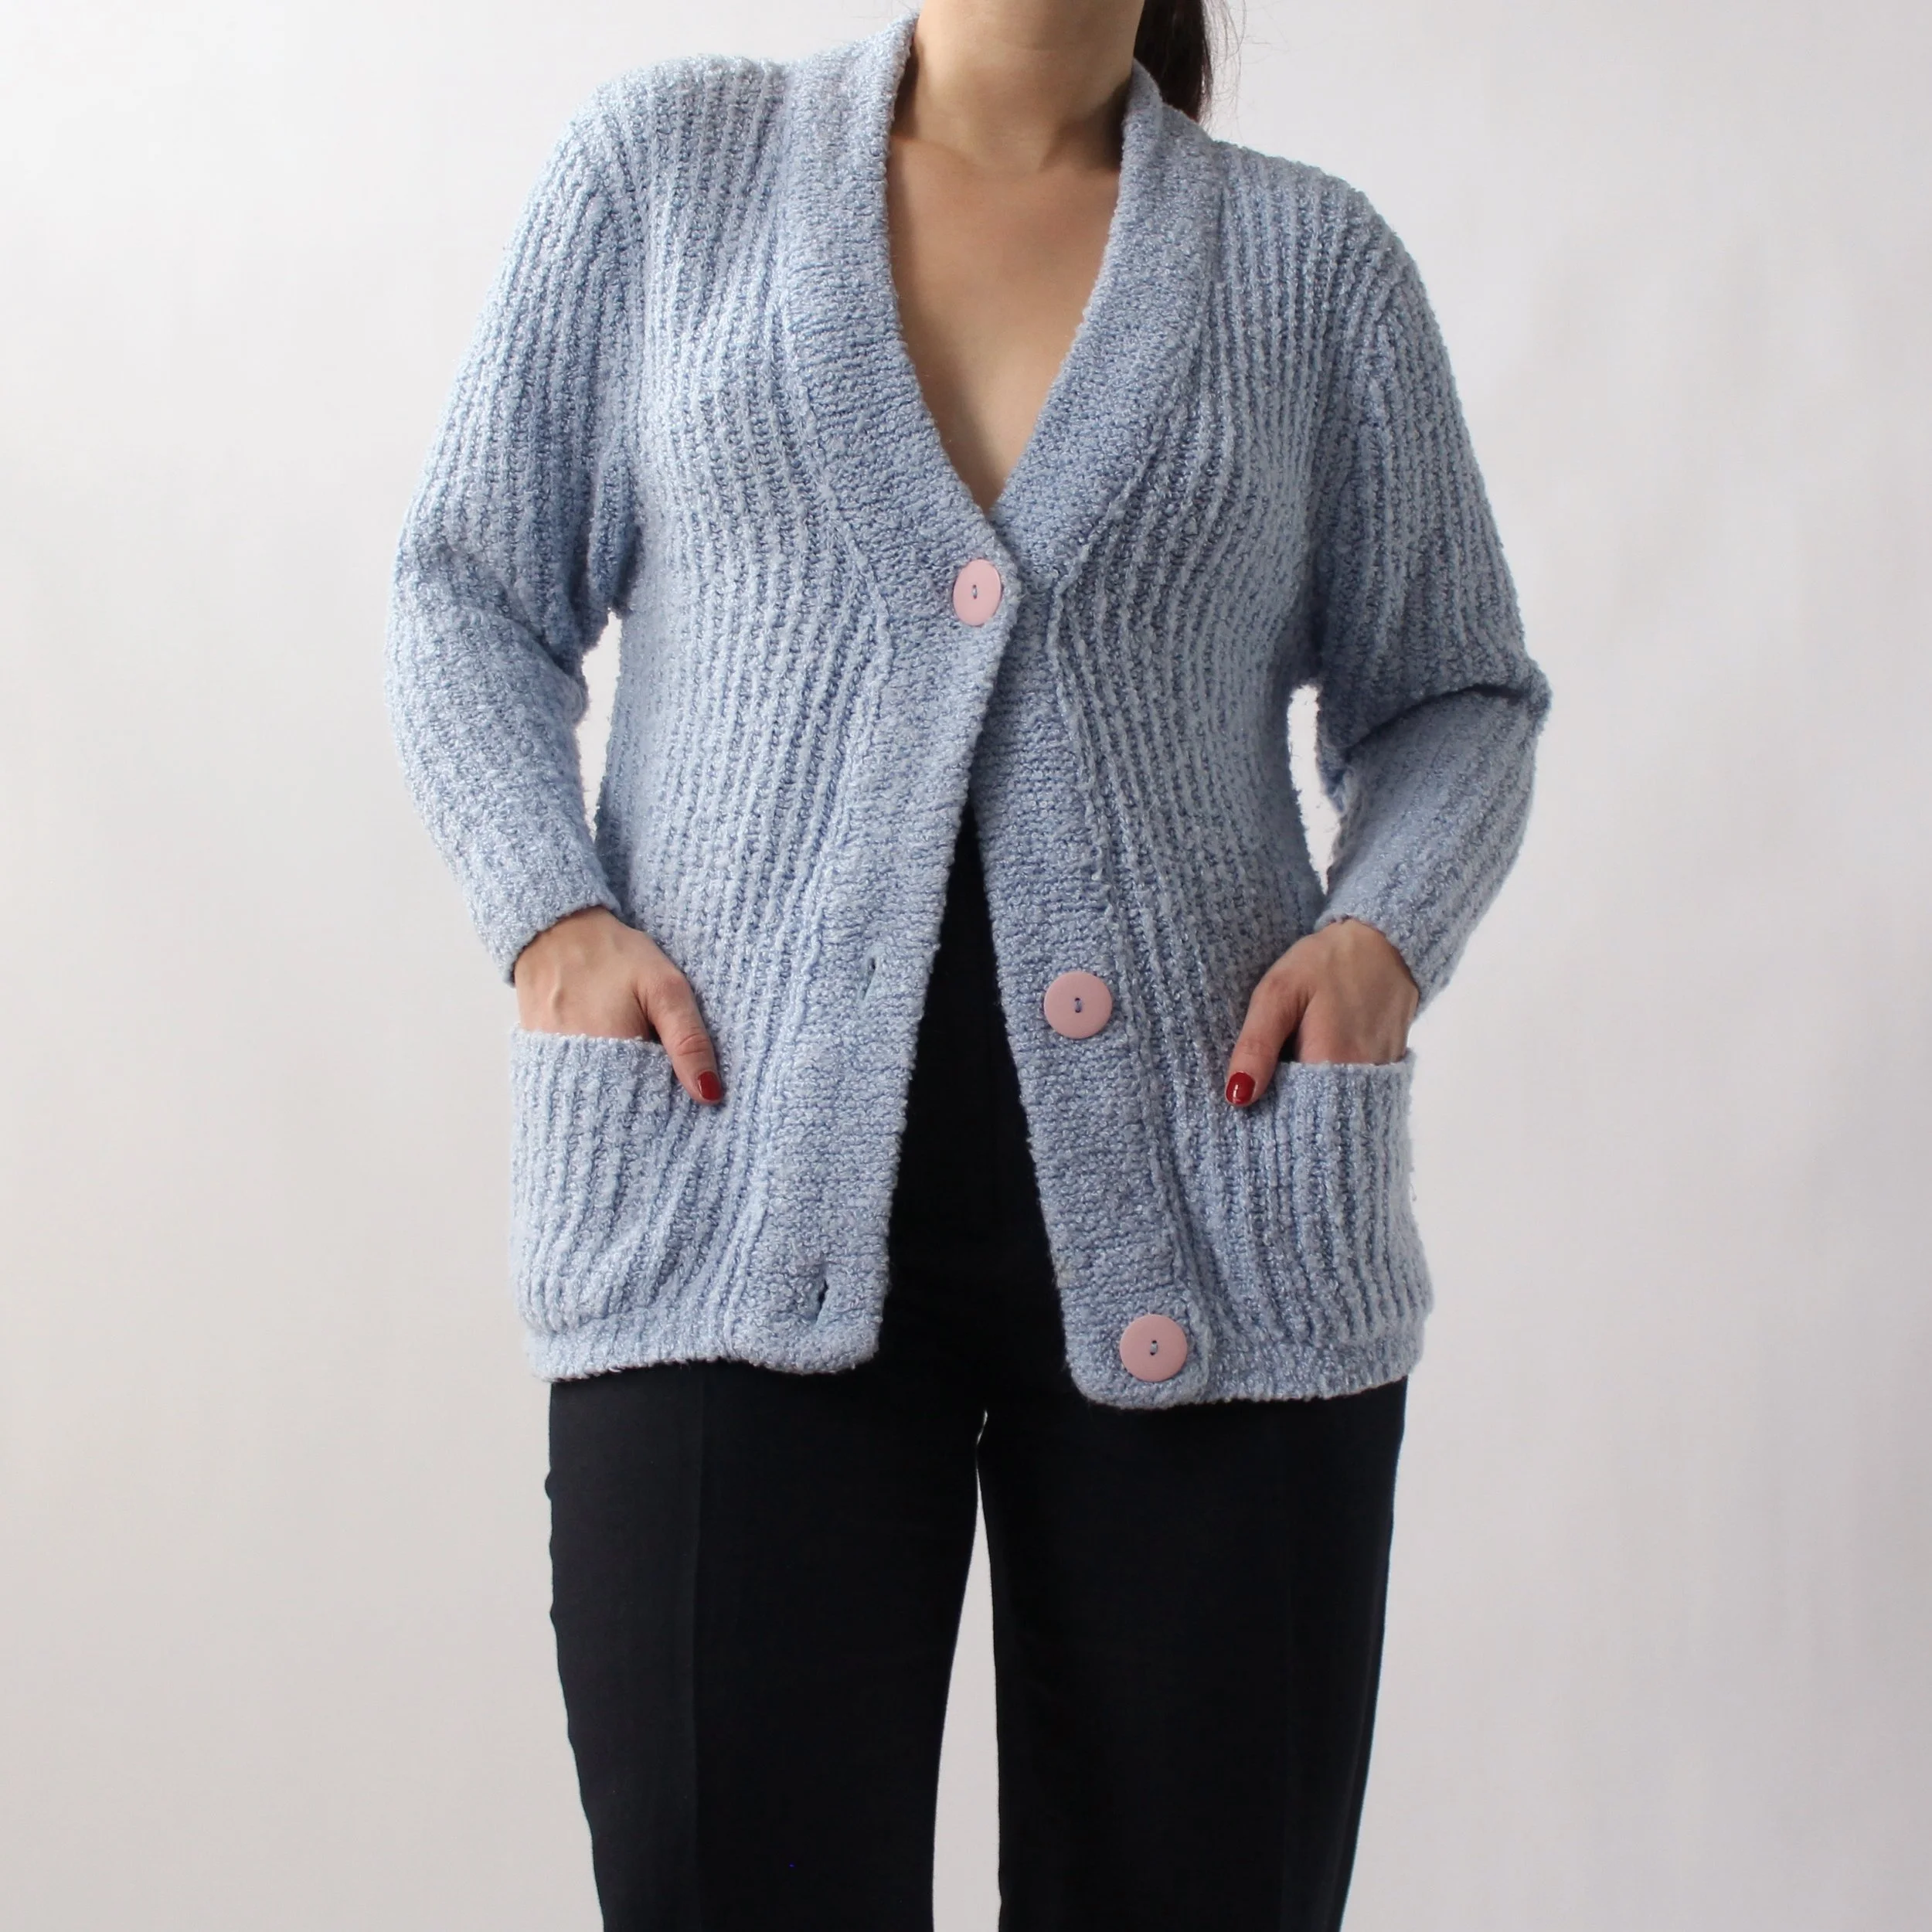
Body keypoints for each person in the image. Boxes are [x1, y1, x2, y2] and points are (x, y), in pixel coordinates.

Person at [385, 2, 1549, 1925]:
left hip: (1216, 1201)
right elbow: (466, 589)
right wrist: (547, 910)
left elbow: (1454, 696)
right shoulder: (665, 178)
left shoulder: (1309, 268)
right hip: (724, 1182)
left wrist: (1377, 940)